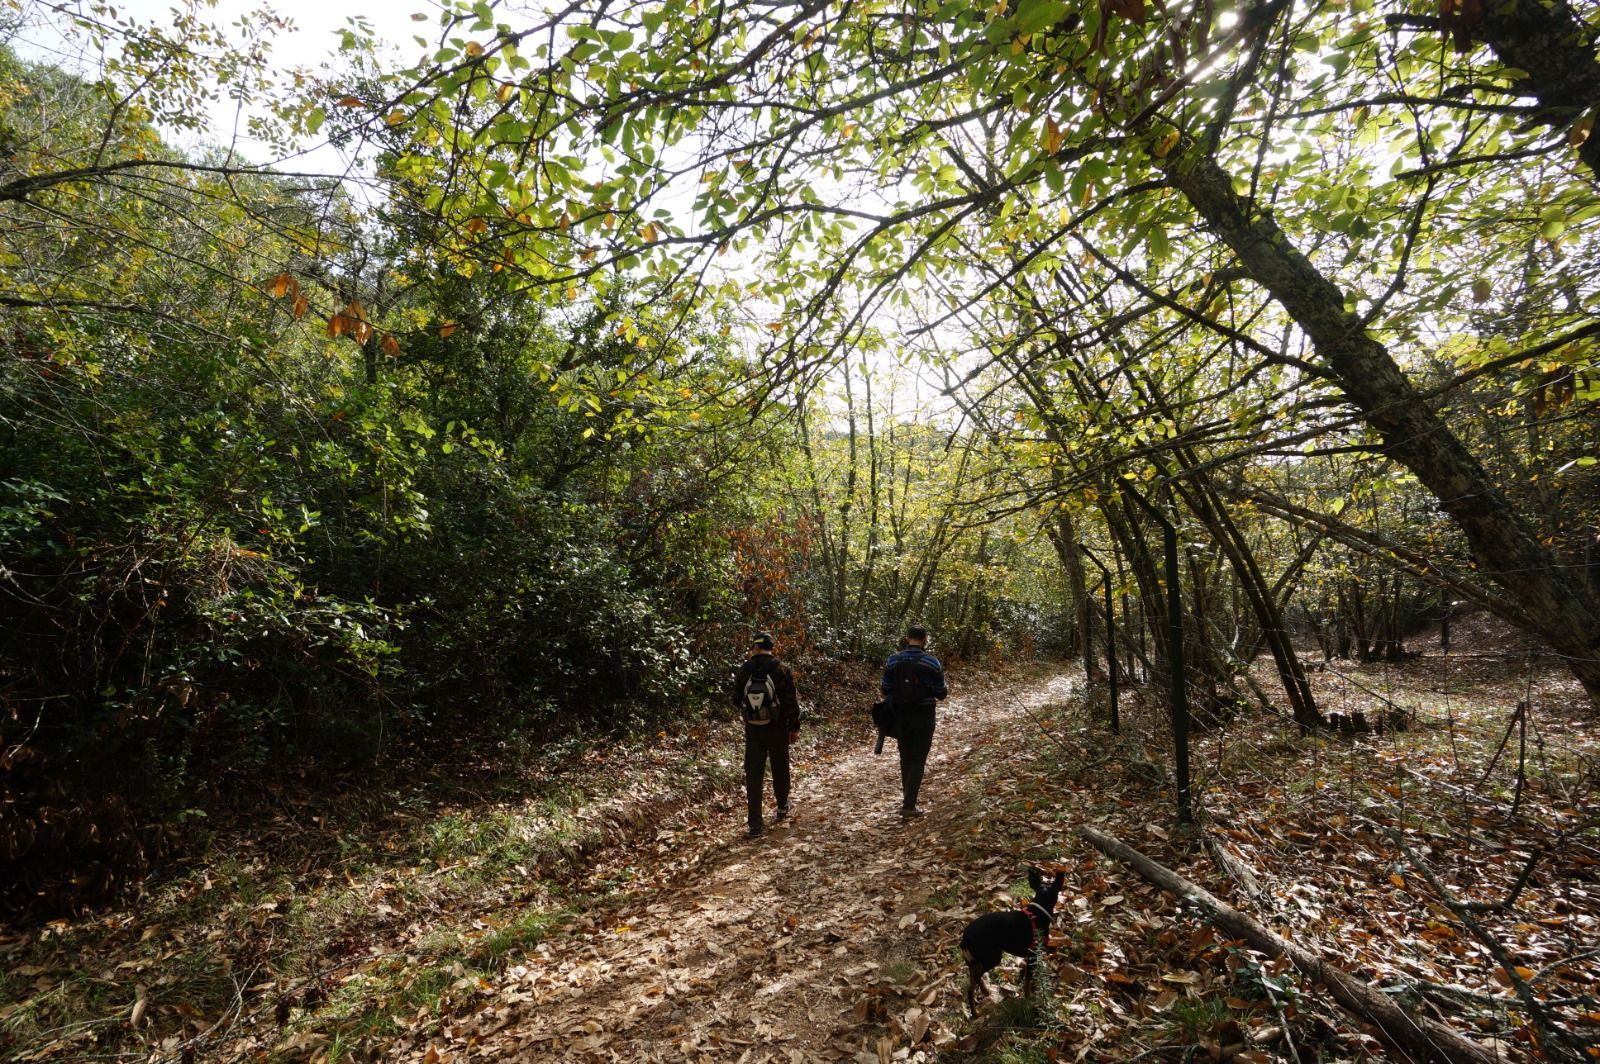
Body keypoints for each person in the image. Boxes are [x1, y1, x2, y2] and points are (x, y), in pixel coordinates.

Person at [730, 632, 800, 838]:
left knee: (753, 774)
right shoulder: (782, 669)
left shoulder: (744, 670)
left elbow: (736, 699)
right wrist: (794, 727)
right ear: (772, 648)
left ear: (755, 647)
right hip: (778, 727)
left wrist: (752, 711)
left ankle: (755, 825)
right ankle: (781, 807)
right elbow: (790, 701)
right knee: (780, 766)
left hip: (753, 729)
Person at [880, 624, 948, 818]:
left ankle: (907, 799)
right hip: (924, 715)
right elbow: (941, 693)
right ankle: (909, 804)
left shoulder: (893, 661)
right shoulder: (932, 663)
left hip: (900, 716)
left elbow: (884, 688)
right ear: (925, 639)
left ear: (907, 638)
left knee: (906, 757)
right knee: (918, 759)